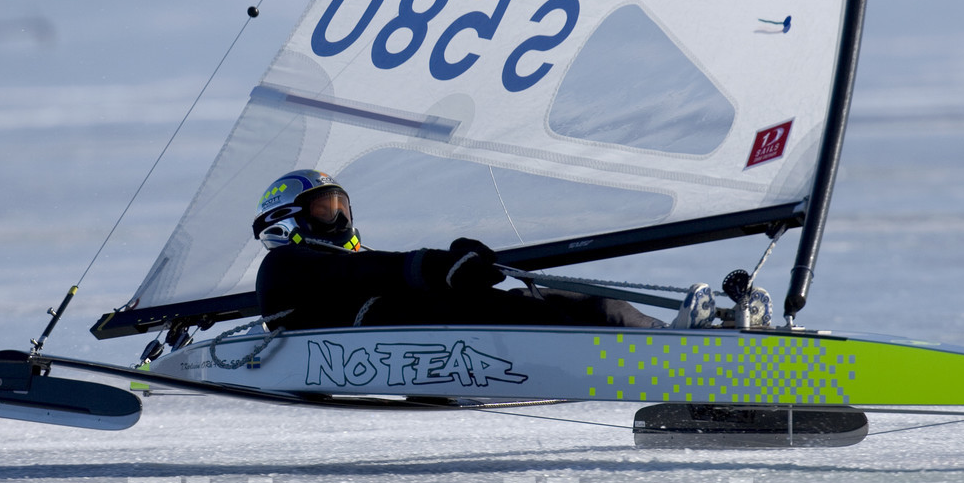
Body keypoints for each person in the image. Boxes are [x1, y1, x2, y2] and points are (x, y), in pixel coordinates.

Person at [251, 169, 713, 332]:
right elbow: (361, 275)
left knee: (570, 301)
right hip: (406, 330)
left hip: (428, 325)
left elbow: (371, 269)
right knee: (528, 315)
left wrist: (456, 268)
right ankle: (666, 348)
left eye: (342, 208)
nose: (341, 220)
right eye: (326, 210)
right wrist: (442, 267)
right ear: (287, 220)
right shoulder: (283, 266)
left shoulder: (338, 259)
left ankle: (672, 333)